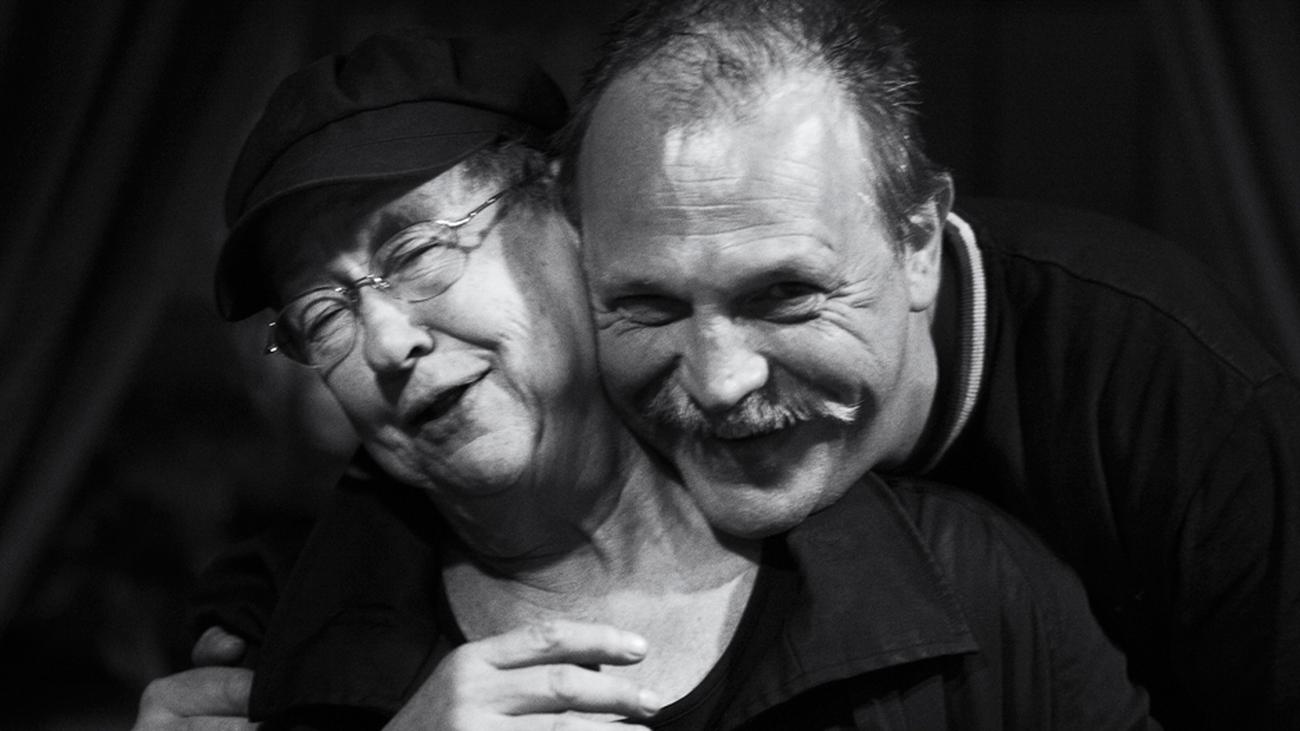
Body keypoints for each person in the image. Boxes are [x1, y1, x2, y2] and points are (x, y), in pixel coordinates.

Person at [133, 27, 1156, 731]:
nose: (386, 340)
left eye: (417, 251)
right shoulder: (284, 670)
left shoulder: (962, 580)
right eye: (324, 313)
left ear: (573, 215)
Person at [562, 0, 1300, 728]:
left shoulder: (1178, 393)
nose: (718, 381)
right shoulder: (561, 387)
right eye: (648, 304)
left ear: (918, 244)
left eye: (785, 295)